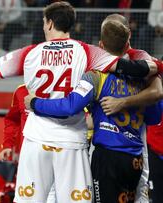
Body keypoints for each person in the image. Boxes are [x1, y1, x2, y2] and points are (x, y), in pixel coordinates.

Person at [0, 2, 161, 202]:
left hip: (36, 139)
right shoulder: (87, 52)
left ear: (49, 23)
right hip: (71, 142)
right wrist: (153, 67)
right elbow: (132, 67)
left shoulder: (29, 53)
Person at [24, 20, 162, 203]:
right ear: (128, 44)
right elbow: (154, 117)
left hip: (107, 158)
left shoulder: (96, 76)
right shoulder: (143, 79)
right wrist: (131, 102)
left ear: (101, 46)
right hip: (135, 159)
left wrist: (35, 103)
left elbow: (69, 107)